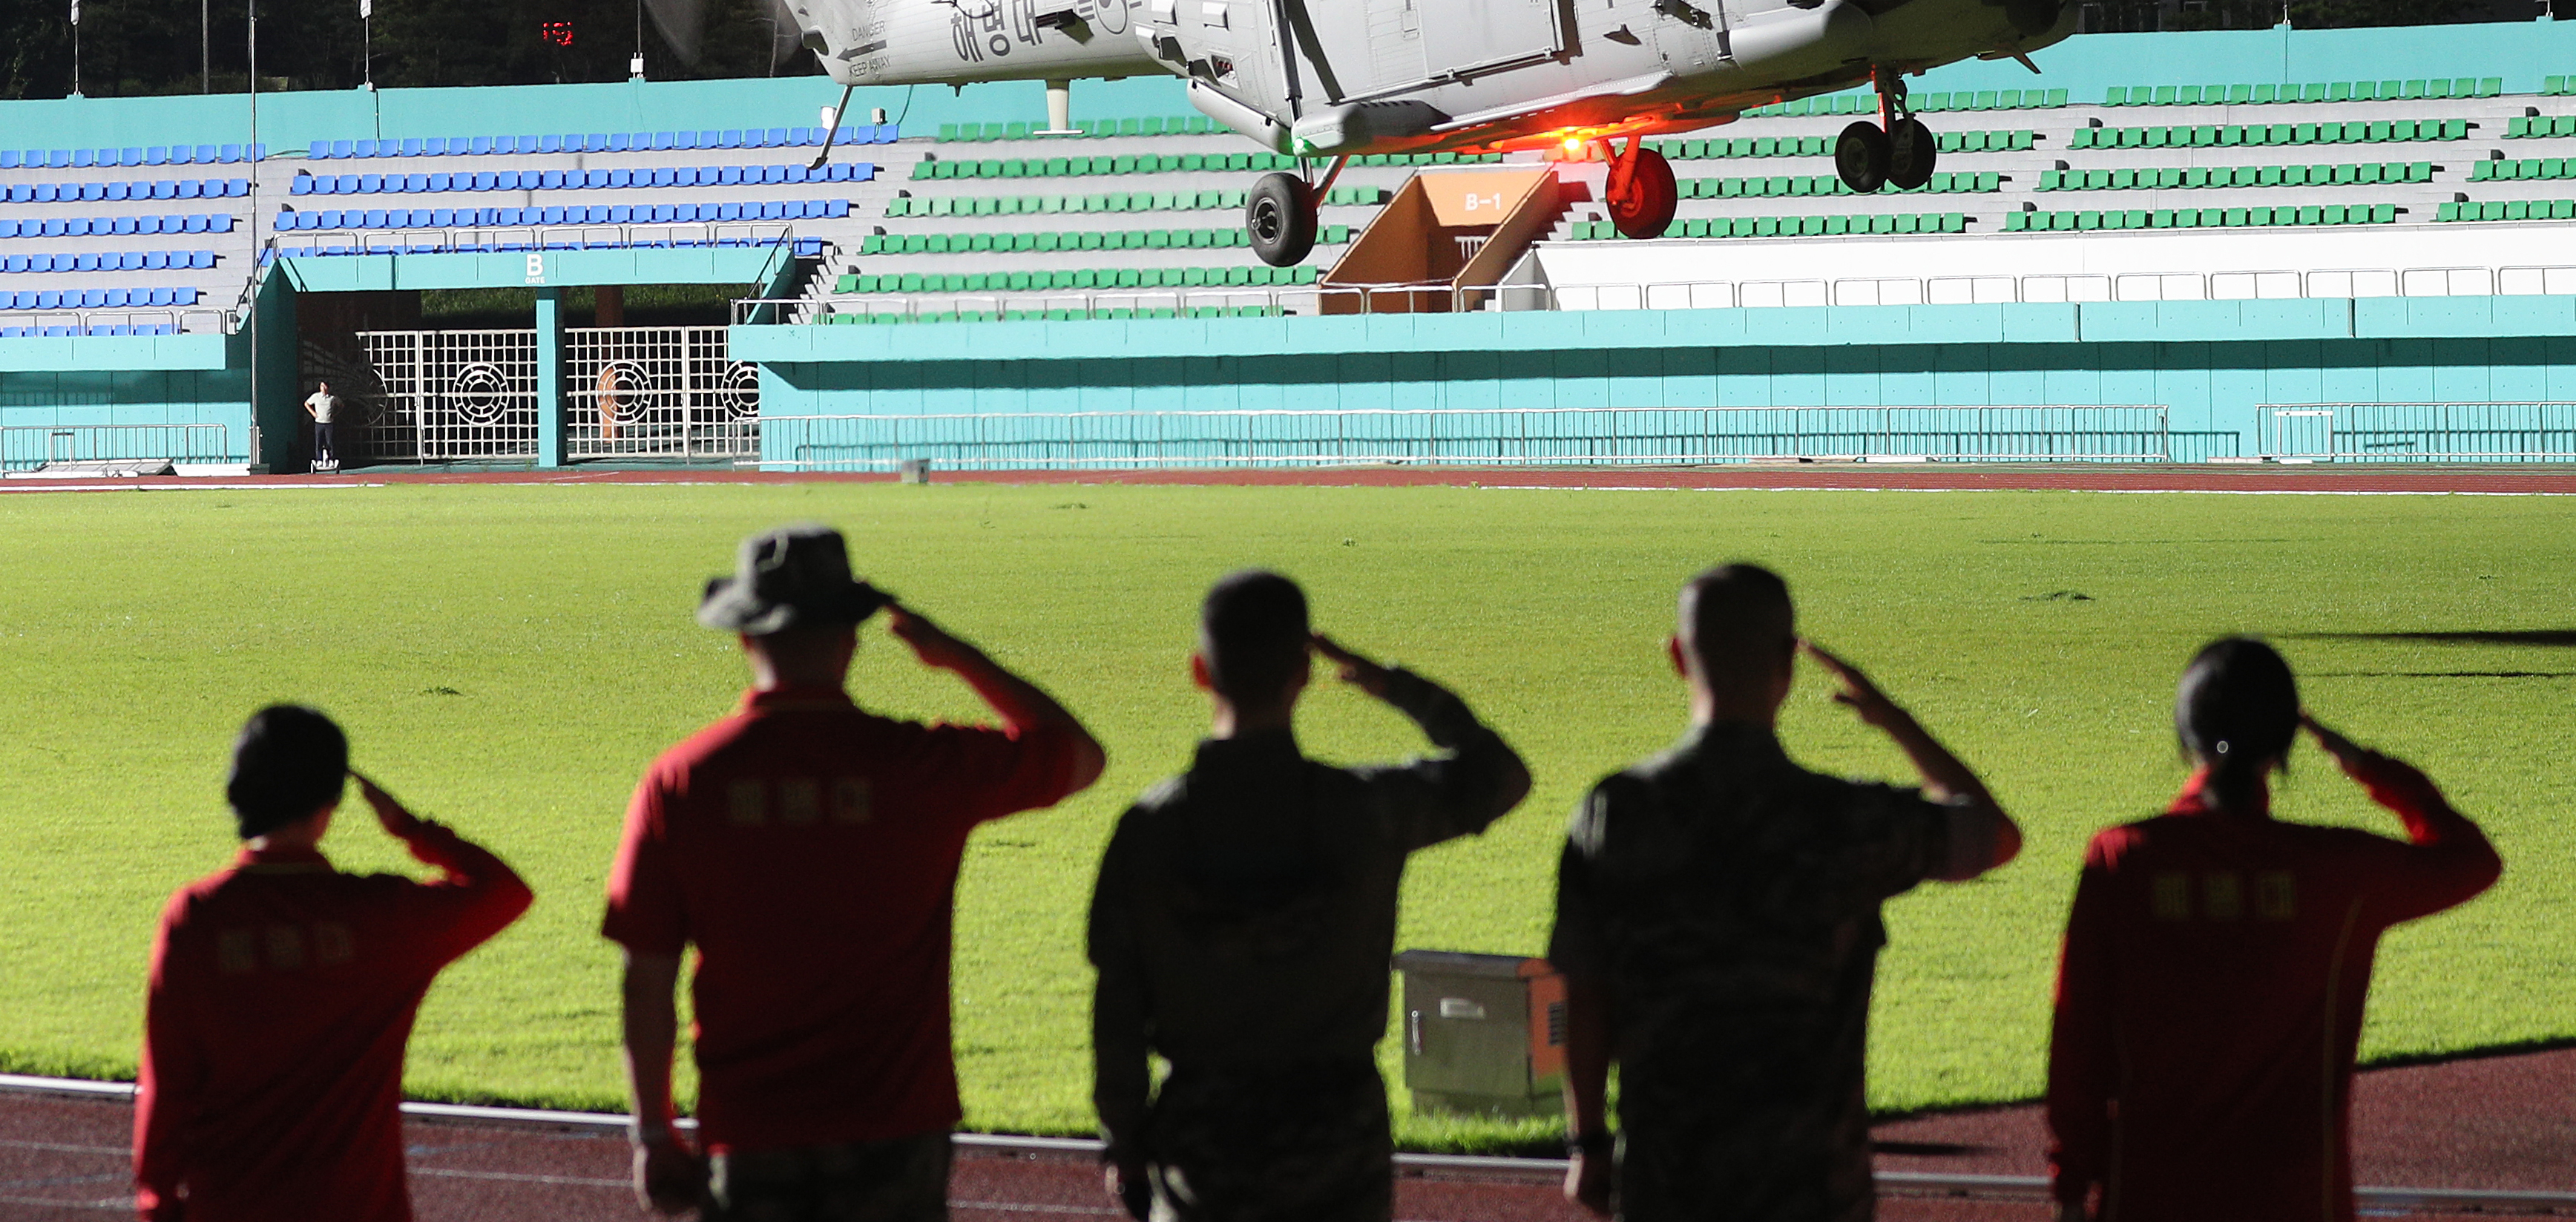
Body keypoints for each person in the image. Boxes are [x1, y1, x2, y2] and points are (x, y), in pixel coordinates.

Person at [607, 523, 1106, 1221]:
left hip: (751, 1130)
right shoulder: (922, 768)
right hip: (899, 1128)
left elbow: (646, 979)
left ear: (746, 638)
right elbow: (1080, 755)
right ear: (852, 638)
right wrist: (958, 657)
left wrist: (653, 1134)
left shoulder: (683, 782)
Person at [1552, 562, 2021, 1222]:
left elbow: (1584, 990)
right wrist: (1893, 718)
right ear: (1789, 665)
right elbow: (1993, 835)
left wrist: (1589, 1144)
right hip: (1813, 1184)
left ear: (1679, 657)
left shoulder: (1616, 812)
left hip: (1669, 1177)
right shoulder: (1843, 820)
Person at [1088, 569, 1531, 1222]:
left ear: (1199, 672)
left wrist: (1123, 1143)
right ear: (1304, 671)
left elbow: (1117, 1007)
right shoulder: (1364, 811)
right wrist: (1393, 684)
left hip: (1204, 1139)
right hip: (1337, 1133)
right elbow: (1498, 775)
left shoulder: (1150, 831)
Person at [2045, 637, 2501, 1222]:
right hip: (2300, 1203)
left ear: (2186, 735)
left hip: (2150, 1198)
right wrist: (2366, 766)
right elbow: (2471, 860)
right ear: (2285, 742)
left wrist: (2069, 1187)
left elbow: (2077, 1041)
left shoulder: (2123, 859)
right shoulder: (2338, 871)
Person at [133, 704, 533, 1221]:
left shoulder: (195, 918)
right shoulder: (381, 919)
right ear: (332, 802)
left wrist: (156, 1205)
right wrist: (410, 826)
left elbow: (166, 1083)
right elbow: (505, 893)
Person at [305, 381, 340, 470]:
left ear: (328, 388)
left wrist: (335, 414)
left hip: (329, 423)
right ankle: (319, 460)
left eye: (325, 387)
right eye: (321, 386)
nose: (323, 389)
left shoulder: (332, 398)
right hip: (319, 423)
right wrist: (313, 413)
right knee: (319, 442)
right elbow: (307, 404)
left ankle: (331, 459)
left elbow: (341, 405)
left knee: (330, 442)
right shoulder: (316, 396)